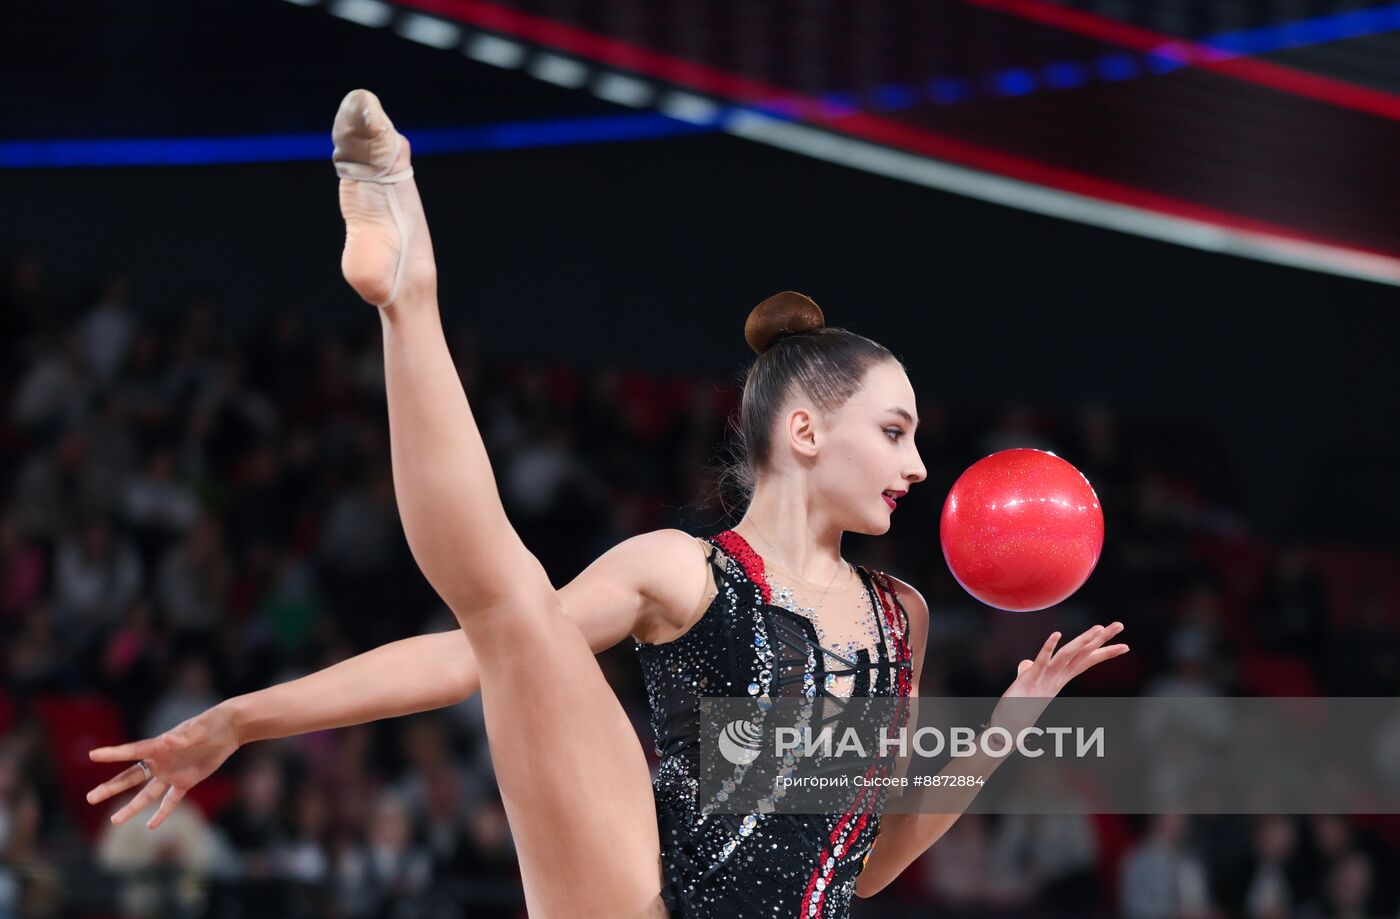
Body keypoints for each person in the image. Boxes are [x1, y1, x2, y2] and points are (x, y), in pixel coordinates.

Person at [86, 89, 1130, 918]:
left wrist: (1003, 729)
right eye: (894, 432)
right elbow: (468, 658)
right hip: (631, 901)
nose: (915, 467)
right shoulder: (679, 570)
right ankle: (409, 290)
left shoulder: (900, 618)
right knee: (511, 611)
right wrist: (238, 718)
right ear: (805, 433)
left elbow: (864, 868)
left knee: (511, 616)